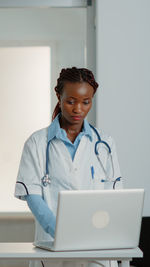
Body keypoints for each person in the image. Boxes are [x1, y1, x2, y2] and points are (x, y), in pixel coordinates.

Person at [14, 67, 123, 267]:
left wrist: (95, 234)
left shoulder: (105, 144)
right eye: (71, 101)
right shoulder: (37, 143)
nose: (78, 109)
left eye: (86, 102)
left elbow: (113, 198)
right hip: (52, 247)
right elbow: (33, 197)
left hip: (96, 249)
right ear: (58, 95)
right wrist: (62, 234)